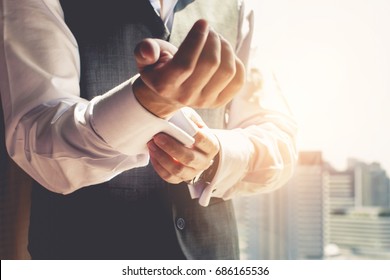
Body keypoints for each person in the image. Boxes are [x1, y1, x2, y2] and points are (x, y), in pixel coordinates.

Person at [0, 0, 297, 259]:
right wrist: (148, 101)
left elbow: (279, 138)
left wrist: (216, 156)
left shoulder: (235, 5)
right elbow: (38, 139)